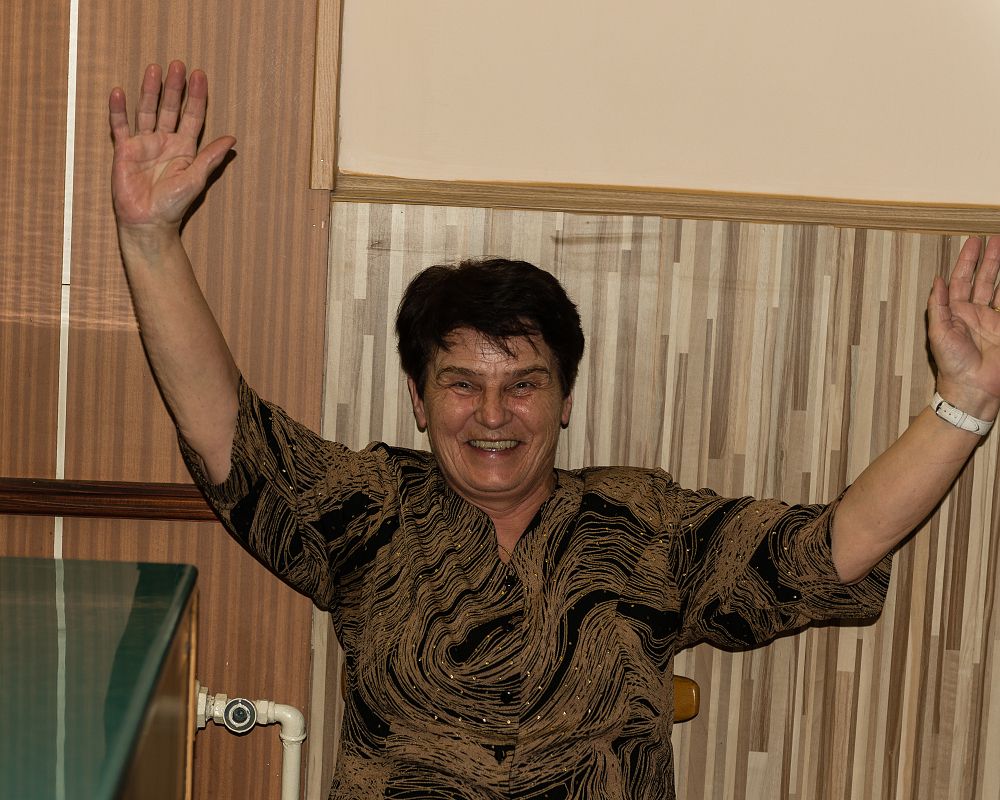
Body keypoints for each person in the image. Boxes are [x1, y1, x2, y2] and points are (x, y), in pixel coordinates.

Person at [110, 62, 1000, 800]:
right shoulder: (370, 507)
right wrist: (150, 241)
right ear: (419, 399)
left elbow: (829, 550)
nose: (494, 415)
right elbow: (229, 436)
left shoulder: (644, 525)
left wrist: (963, 403)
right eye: (462, 384)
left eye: (524, 385)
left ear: (565, 398)